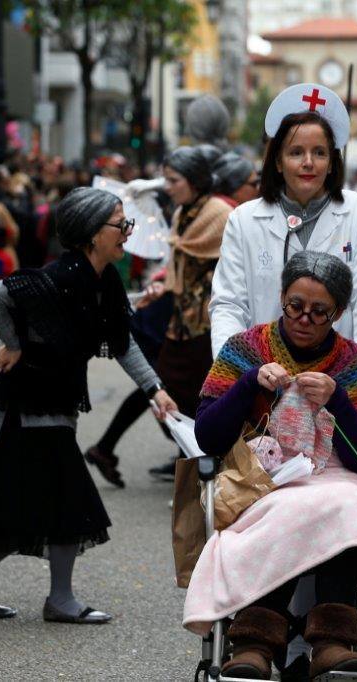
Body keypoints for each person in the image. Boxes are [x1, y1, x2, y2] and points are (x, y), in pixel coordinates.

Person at [0, 187, 178, 624]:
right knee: (71, 499)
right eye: (120, 224)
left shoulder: (103, 279)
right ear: (92, 234)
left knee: (16, 508)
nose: (127, 232)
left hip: (51, 407)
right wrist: (12, 342)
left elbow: (121, 343)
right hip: (21, 409)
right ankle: (60, 600)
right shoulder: (58, 277)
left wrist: (155, 389)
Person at [185, 251, 357, 679]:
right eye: (295, 306)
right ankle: (254, 641)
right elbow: (207, 436)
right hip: (263, 476)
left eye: (319, 312)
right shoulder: (245, 348)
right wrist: (248, 383)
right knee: (283, 507)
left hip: (335, 474)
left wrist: (339, 402)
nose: (304, 319)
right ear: (281, 298)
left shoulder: (354, 364)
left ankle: (333, 642)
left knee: (351, 503)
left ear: (338, 313)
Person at [210, 83, 357, 364]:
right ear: (278, 161)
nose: (308, 163)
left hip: (336, 380)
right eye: (295, 153)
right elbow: (228, 305)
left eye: (319, 152)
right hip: (264, 378)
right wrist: (239, 374)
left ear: (331, 163)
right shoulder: (243, 221)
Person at [135, 147, 232, 479]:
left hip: (209, 324)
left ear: (194, 181)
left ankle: (200, 470)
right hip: (181, 323)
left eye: (173, 180)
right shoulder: (181, 215)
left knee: (200, 400)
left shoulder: (218, 213)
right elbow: (178, 267)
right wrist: (161, 288)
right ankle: (193, 462)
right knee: (166, 396)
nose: (168, 187)